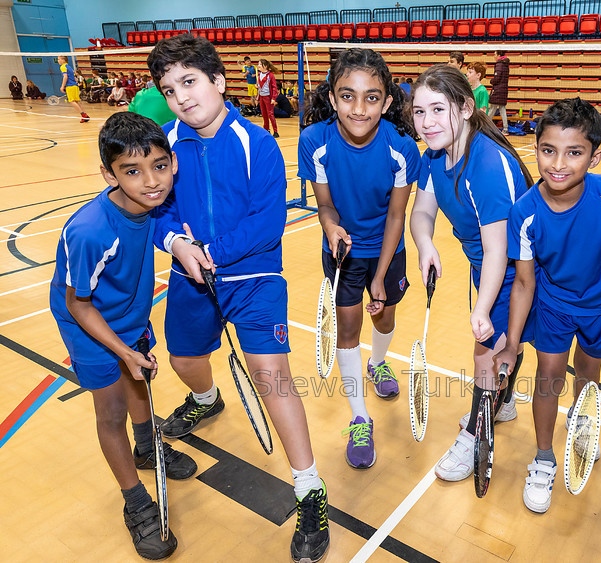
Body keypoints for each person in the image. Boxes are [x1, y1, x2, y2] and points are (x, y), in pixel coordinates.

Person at [147, 34, 330, 563]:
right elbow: (154, 206)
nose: (181, 96)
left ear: (219, 82)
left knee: (272, 379)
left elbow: (268, 222)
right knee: (182, 357)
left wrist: (211, 250)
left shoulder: (257, 142)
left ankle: (309, 489)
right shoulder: (164, 144)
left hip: (253, 280)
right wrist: (179, 244)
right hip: (190, 274)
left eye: (190, 82)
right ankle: (207, 399)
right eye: (169, 88)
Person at [49, 112, 198, 559]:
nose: (151, 181)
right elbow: (79, 302)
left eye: (159, 165)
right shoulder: (91, 230)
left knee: (139, 383)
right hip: (89, 326)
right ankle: (135, 499)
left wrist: (183, 246)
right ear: (108, 174)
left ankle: (146, 446)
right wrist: (120, 349)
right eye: (132, 171)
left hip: (130, 313)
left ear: (172, 163)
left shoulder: (155, 206)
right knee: (111, 409)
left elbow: (162, 233)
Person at [493, 98, 601, 514]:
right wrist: (511, 342)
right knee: (548, 375)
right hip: (555, 304)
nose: (558, 163)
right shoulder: (524, 211)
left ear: (595, 157)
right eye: (548, 150)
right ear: (535, 148)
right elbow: (523, 282)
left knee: (588, 374)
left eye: (574, 152)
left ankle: (581, 425)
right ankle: (543, 457)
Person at [410, 64, 534, 482]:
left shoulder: (485, 165)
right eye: (418, 111)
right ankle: (506, 400)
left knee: (485, 351)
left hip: (521, 268)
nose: (426, 122)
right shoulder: (433, 155)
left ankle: (474, 436)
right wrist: (426, 244)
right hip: (486, 263)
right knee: (499, 344)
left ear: (465, 108)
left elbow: (501, 251)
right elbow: (422, 212)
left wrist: (481, 307)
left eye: (437, 109)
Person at [299, 48, 420, 469]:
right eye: (347, 95)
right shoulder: (314, 141)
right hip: (343, 251)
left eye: (372, 97)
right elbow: (326, 205)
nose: (359, 107)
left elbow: (397, 214)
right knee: (348, 326)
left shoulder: (403, 147)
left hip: (387, 251)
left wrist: (381, 275)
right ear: (332, 98)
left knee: (383, 318)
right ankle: (359, 416)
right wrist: (330, 228)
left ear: (387, 103)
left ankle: (379, 362)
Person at [57, 55, 90, 123]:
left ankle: (83, 115)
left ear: (63, 60)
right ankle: (85, 115)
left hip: (70, 86)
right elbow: (75, 78)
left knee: (71, 101)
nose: (58, 61)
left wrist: (62, 86)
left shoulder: (63, 67)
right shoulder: (69, 67)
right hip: (75, 86)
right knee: (77, 102)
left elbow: (65, 77)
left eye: (59, 59)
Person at [487, 50, 510, 135]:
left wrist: (492, 81)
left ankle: (485, 126)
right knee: (502, 109)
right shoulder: (505, 64)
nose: (494, 56)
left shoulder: (499, 64)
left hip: (498, 89)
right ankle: (505, 128)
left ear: (499, 55)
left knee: (492, 108)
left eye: (494, 54)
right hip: (503, 89)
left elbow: (497, 77)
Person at [256, 58, 280, 138]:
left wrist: (273, 98)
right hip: (262, 97)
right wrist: (257, 97)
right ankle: (266, 129)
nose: (258, 65)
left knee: (270, 114)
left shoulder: (270, 75)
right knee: (264, 114)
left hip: (268, 97)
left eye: (260, 64)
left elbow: (274, 87)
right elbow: (260, 86)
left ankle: (275, 131)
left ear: (265, 66)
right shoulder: (259, 75)